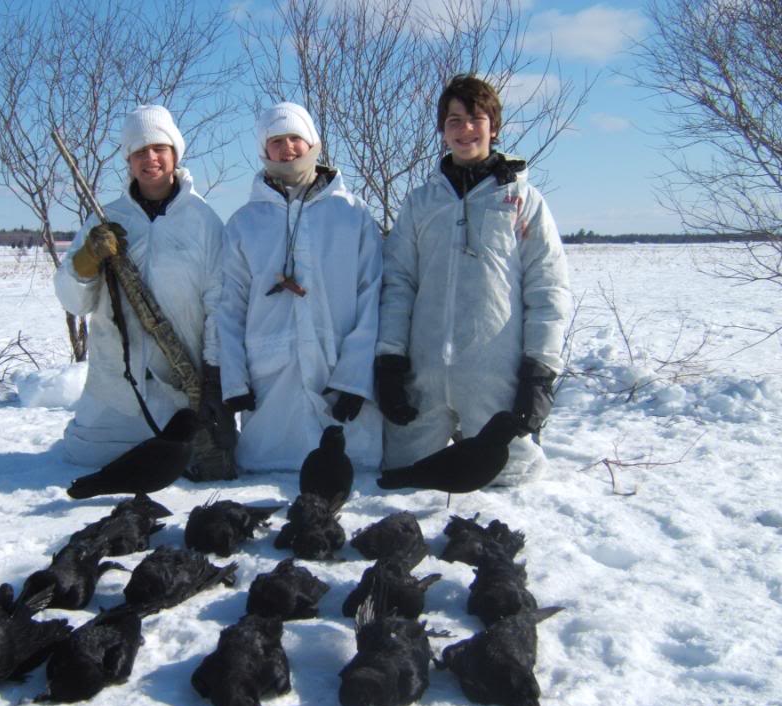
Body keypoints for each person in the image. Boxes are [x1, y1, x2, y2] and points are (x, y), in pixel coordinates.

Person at [375, 74, 571, 485]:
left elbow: (547, 289)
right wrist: (390, 360)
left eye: (476, 118)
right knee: (400, 481)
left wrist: (540, 372)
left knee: (511, 483)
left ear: (493, 126)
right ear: (442, 131)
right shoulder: (420, 203)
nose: (465, 129)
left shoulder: (522, 202)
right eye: (454, 120)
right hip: (423, 378)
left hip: (494, 377)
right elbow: (398, 284)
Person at [54, 104, 233, 477]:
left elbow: (220, 303)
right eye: (139, 152)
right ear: (129, 161)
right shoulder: (105, 220)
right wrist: (87, 261)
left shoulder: (204, 222)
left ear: (174, 154)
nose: (149, 158)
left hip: (179, 389)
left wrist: (214, 374)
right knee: (82, 467)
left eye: (158, 148)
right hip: (114, 389)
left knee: (191, 470)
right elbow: (72, 300)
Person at [218, 102, 383, 472]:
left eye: (296, 137)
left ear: (313, 143)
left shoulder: (352, 215)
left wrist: (356, 380)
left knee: (346, 485)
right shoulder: (245, 223)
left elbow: (371, 296)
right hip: (271, 395)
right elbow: (229, 307)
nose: (288, 148)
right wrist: (234, 380)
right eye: (277, 140)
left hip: (338, 383)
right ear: (264, 150)